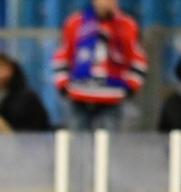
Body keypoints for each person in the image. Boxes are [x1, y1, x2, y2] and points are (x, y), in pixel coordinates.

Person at [51, 0, 147, 131]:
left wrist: (131, 85)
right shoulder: (74, 23)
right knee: (79, 144)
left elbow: (138, 59)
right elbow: (61, 55)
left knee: (108, 144)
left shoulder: (127, 24)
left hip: (112, 96)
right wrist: (62, 83)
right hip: (79, 94)